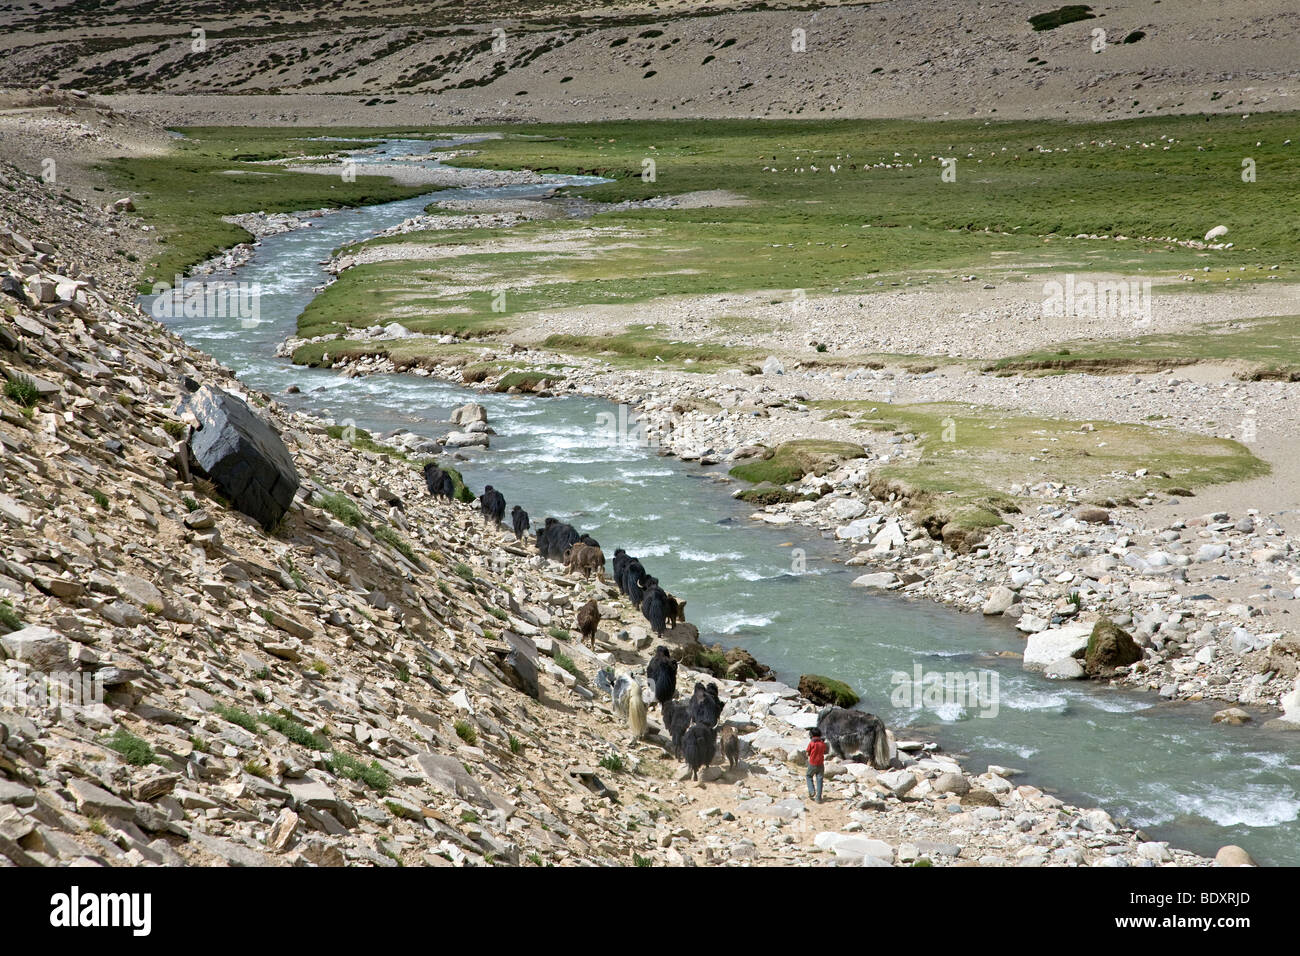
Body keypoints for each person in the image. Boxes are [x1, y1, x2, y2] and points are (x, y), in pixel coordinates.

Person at [806, 727, 828, 803]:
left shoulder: (812, 743)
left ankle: (812, 791)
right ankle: (818, 798)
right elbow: (825, 751)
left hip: (812, 763)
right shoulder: (822, 743)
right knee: (820, 780)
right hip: (821, 764)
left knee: (809, 776)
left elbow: (808, 752)